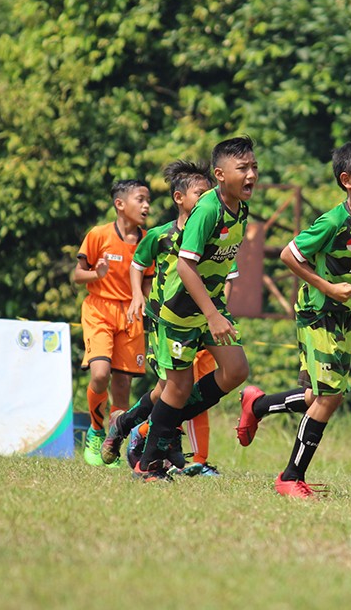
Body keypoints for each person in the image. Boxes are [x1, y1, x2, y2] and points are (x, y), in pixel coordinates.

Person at [237, 141, 351, 498]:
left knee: (315, 395)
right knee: (330, 396)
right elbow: (291, 255)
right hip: (318, 311)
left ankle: (257, 405)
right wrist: (328, 287)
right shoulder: (334, 221)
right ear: (347, 180)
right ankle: (290, 477)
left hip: (343, 314)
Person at [132, 136, 258, 481]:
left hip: (210, 304)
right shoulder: (207, 209)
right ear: (219, 174)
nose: (251, 175)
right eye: (242, 168)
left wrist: (216, 309)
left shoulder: (241, 208)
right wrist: (213, 314)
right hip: (182, 308)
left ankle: (153, 428)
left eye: (254, 167)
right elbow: (186, 267)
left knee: (235, 370)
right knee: (177, 388)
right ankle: (147, 466)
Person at [101, 160, 222, 476]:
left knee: (167, 389)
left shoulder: (212, 236)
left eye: (210, 193)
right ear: (180, 198)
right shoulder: (160, 235)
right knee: (174, 386)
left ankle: (129, 424)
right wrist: (138, 296)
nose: (207, 199)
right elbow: (137, 264)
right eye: (200, 193)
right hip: (165, 319)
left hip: (199, 319)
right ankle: (154, 440)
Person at [73, 179, 152, 466]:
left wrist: (142, 301)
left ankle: (112, 441)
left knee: (122, 385)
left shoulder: (148, 240)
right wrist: (97, 274)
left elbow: (147, 280)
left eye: (148, 200)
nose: (146, 206)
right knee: (99, 374)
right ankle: (95, 432)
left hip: (130, 316)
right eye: (140, 199)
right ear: (120, 204)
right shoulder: (98, 235)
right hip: (99, 310)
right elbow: (77, 274)